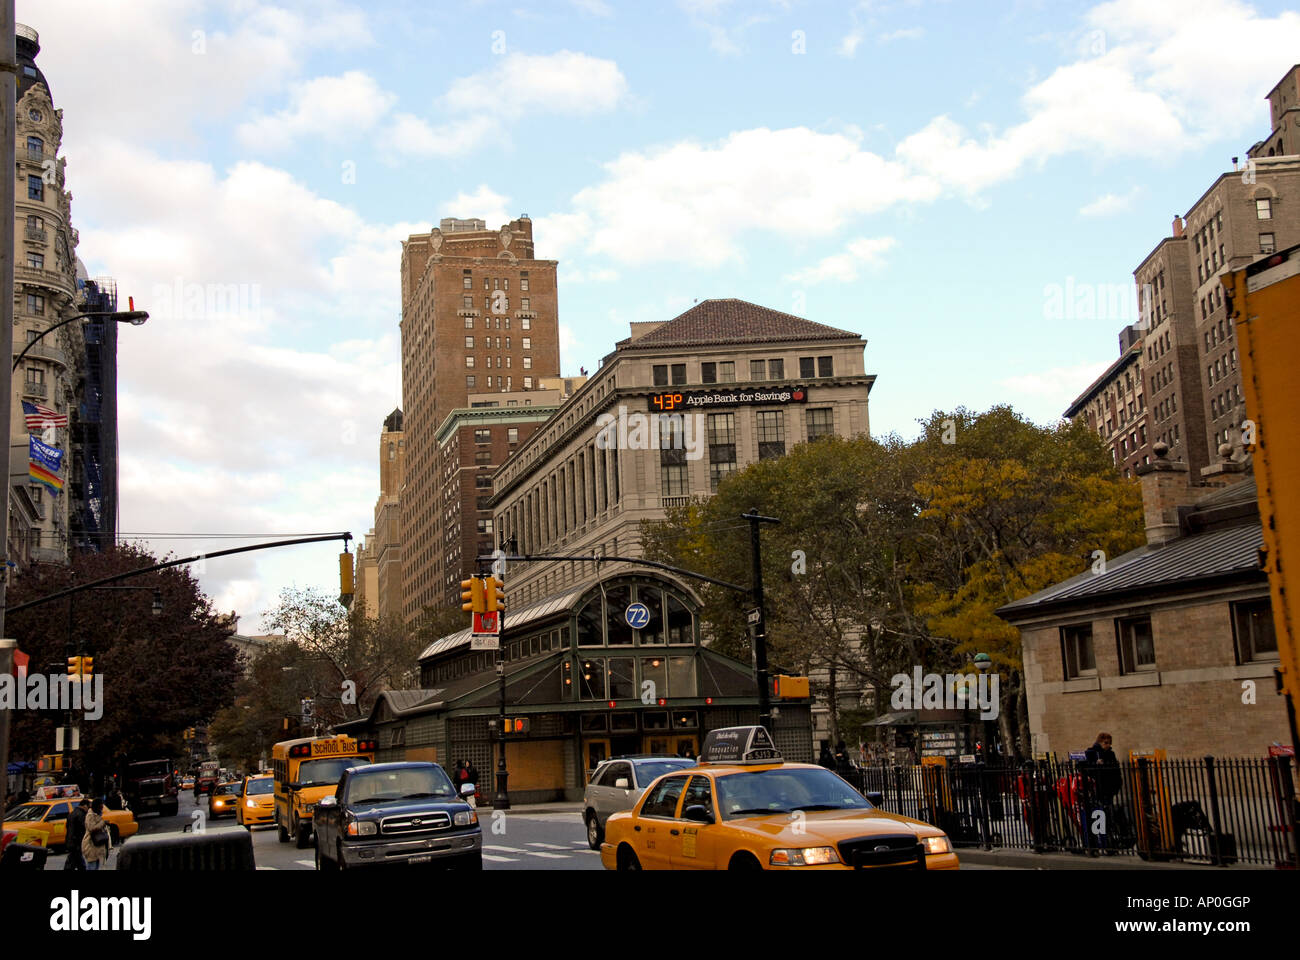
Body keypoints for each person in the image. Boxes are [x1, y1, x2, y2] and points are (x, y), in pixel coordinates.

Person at [1083, 732, 1122, 854]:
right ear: (1099, 742)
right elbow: (1085, 770)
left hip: (1108, 790)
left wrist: (1116, 787)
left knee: (1108, 817)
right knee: (1099, 817)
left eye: (1110, 743)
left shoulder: (1111, 754)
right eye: (1106, 743)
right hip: (1097, 791)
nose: (1108, 745)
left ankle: (1109, 844)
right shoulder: (1091, 753)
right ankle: (1101, 843)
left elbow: (1116, 771)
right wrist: (1095, 765)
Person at [82, 798, 112, 871]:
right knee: (92, 866)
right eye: (101, 805)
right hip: (91, 845)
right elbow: (91, 828)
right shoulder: (90, 815)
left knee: (95, 866)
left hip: (96, 846)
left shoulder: (96, 814)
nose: (102, 807)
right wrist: (103, 823)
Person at [64, 798, 90, 871]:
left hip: (70, 840)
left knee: (75, 859)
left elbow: (68, 827)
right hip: (77, 842)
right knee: (74, 860)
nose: (88, 810)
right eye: (88, 807)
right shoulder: (81, 815)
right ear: (85, 806)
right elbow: (83, 829)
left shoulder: (72, 813)